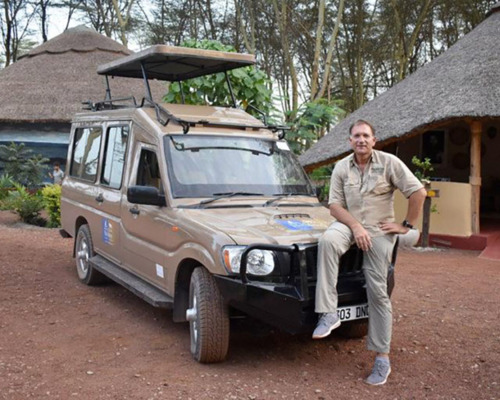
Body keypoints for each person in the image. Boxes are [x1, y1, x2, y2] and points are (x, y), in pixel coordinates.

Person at [313, 120, 426, 385]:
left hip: (379, 230)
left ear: (374, 140)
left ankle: (382, 359)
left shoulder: (389, 163)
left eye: (366, 135)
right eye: (356, 136)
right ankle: (328, 313)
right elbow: (334, 206)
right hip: (348, 225)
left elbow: (418, 192)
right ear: (350, 141)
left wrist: (405, 225)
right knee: (328, 240)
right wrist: (354, 226)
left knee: (377, 291)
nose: (361, 140)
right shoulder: (342, 167)